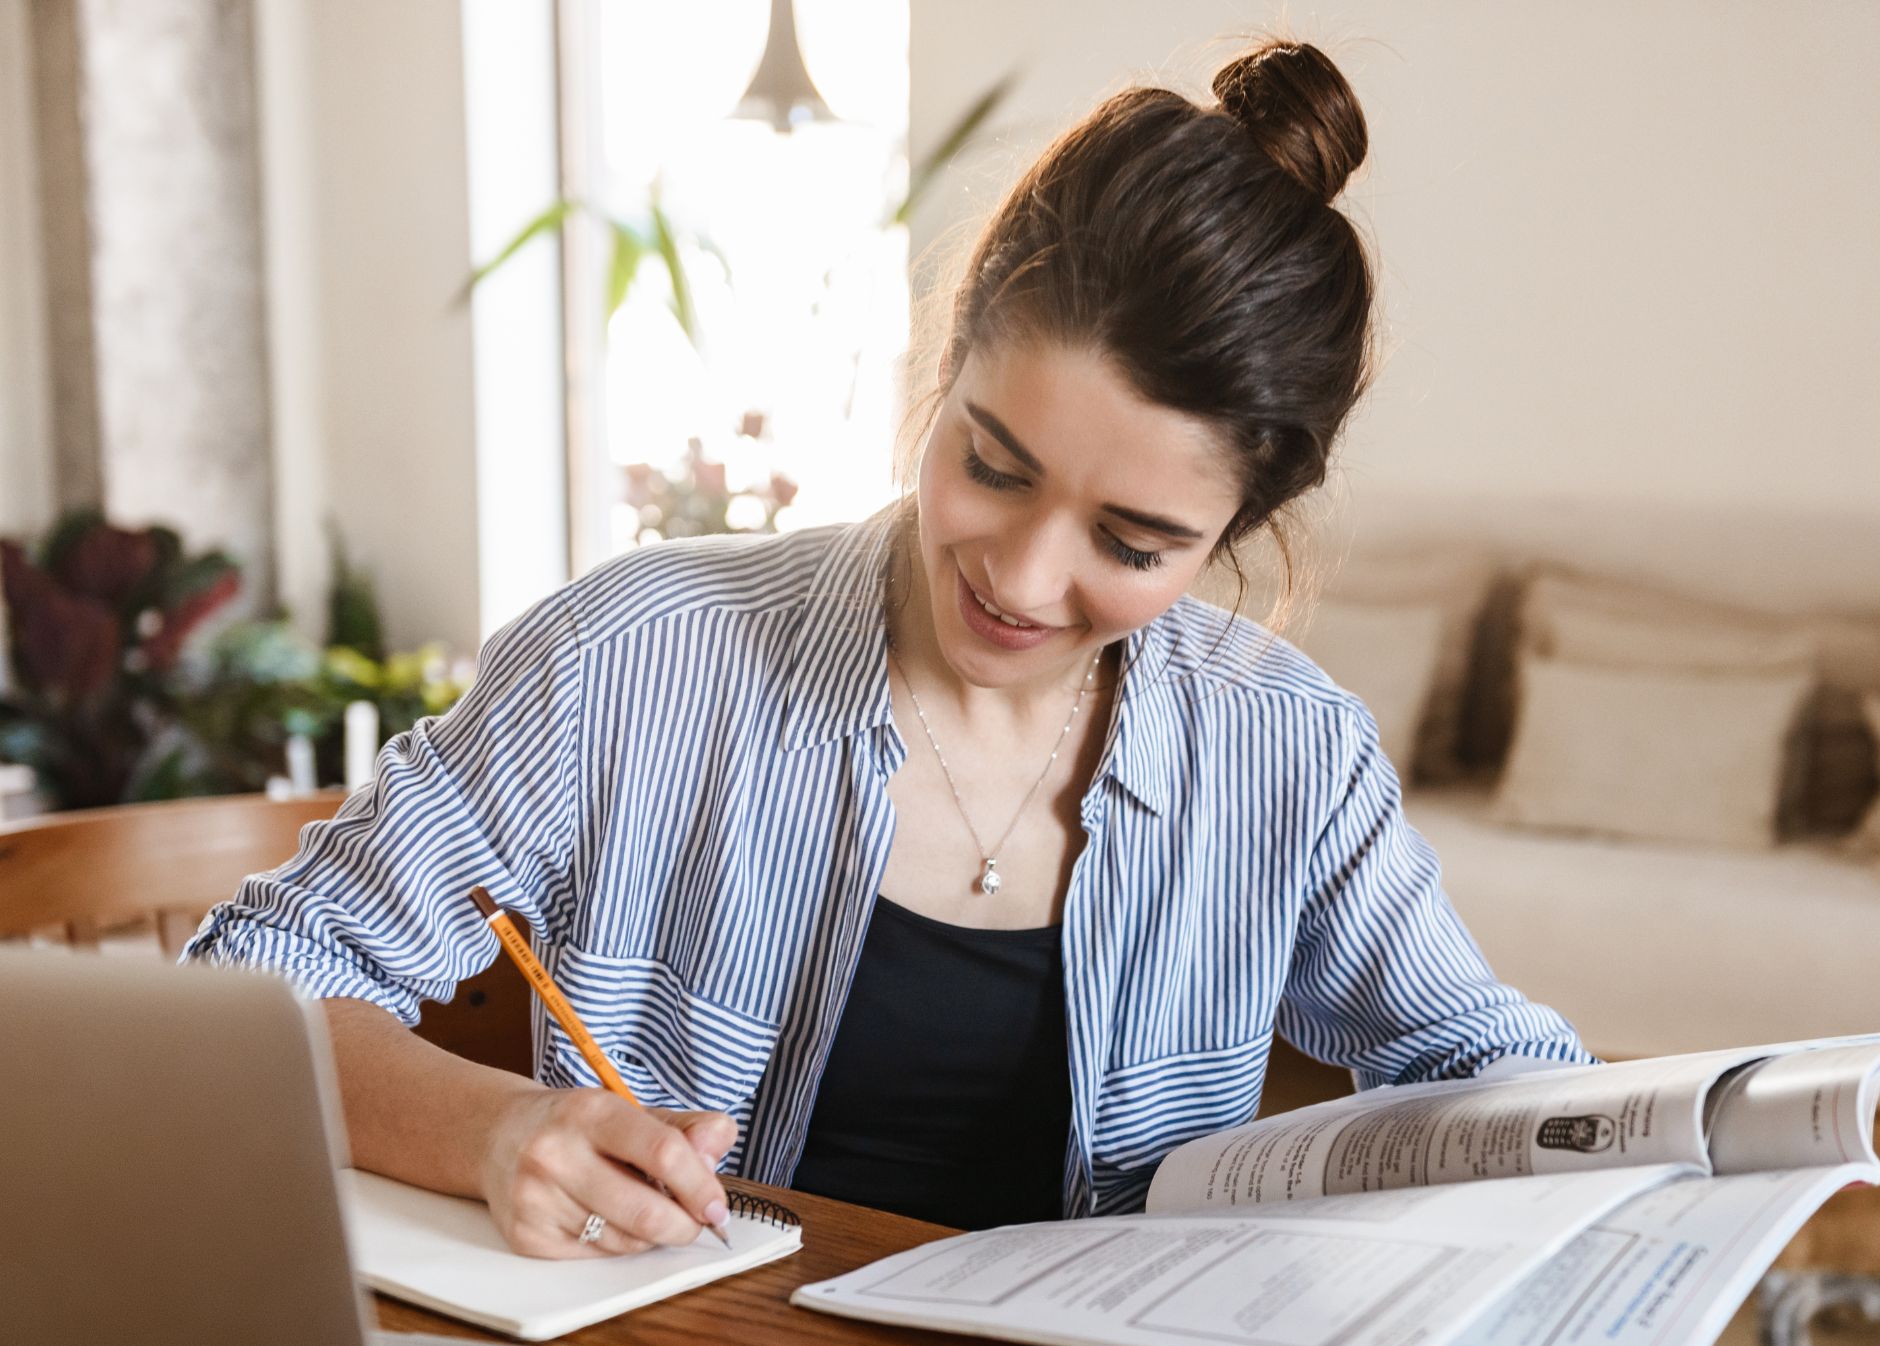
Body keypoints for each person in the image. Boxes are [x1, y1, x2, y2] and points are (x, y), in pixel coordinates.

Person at [189, 40, 1592, 1250]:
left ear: (1236, 531)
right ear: (946, 361)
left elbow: (1488, 1068)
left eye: (1131, 544)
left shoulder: (1288, 750)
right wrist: (502, 1133)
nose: (1024, 578)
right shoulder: (634, 660)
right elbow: (248, 993)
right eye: (992, 465)